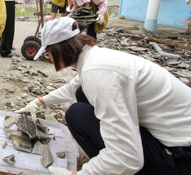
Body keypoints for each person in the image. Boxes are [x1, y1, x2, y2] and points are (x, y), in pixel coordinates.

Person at [16, 17, 191, 175]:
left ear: (59, 50)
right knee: (81, 93)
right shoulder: (96, 57)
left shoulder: (98, 72)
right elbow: (72, 88)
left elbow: (128, 158)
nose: (49, 59)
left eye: (48, 53)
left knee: (76, 114)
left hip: (181, 157)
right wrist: (39, 101)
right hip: (175, 139)